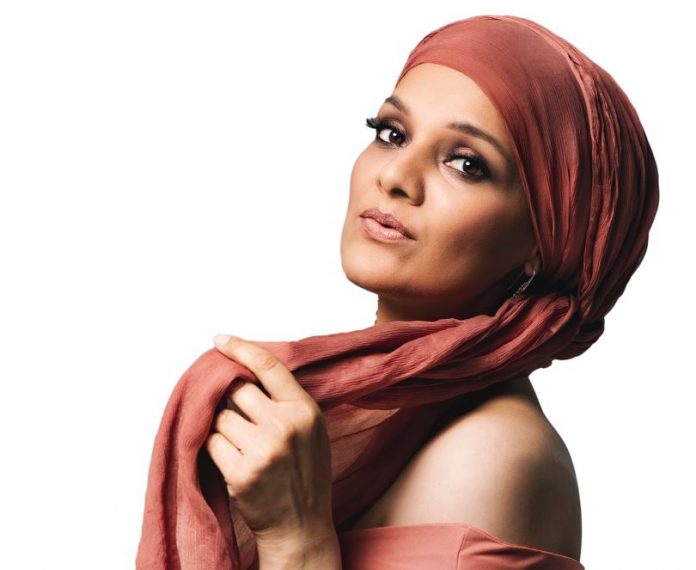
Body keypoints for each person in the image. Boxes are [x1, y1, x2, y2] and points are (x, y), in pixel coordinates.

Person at [137, 14, 658, 570]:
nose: (395, 177)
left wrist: (298, 540)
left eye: (466, 164)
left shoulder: (493, 457)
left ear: (546, 240)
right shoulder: (351, 415)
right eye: (392, 133)